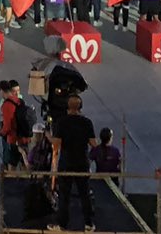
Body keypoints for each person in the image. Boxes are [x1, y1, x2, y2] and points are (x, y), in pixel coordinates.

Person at [50, 95, 99, 233]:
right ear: (80, 107)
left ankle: (62, 225)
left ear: (67, 107)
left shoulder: (61, 122)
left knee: (64, 195)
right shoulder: (87, 122)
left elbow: (56, 146)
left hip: (66, 163)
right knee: (84, 193)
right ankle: (89, 224)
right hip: (82, 163)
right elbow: (93, 144)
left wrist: (49, 137)